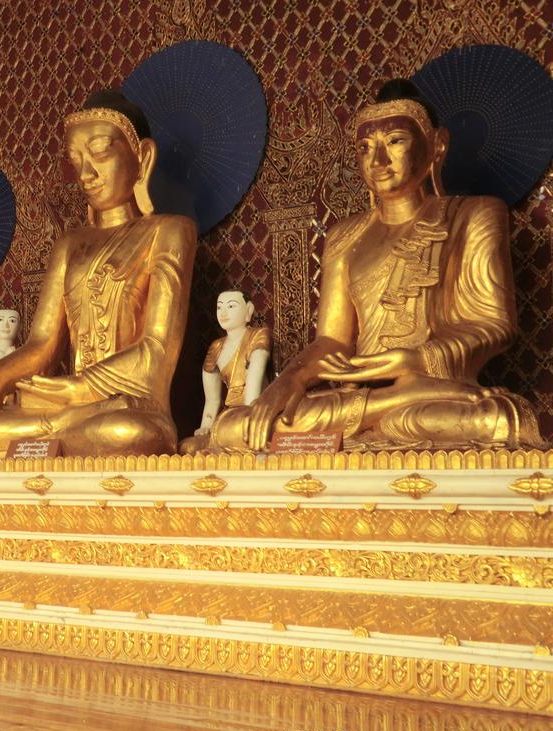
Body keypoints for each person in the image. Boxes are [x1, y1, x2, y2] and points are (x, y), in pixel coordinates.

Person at [211, 79, 543, 452]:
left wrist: (411, 359)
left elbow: (494, 325)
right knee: (232, 428)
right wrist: (290, 379)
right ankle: (378, 414)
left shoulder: (475, 214)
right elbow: (332, 340)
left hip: (432, 392)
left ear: (437, 145)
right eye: (365, 148)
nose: (378, 161)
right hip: (359, 399)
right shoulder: (344, 236)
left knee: (495, 419)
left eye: (395, 141)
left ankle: (383, 414)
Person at [0, 91, 197, 457]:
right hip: (72, 410)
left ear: (142, 158)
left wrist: (77, 388)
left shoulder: (169, 231)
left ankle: (55, 431)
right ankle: (56, 431)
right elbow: (41, 345)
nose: (85, 174)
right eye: (76, 160)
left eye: (99, 152)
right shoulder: (69, 243)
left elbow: (156, 352)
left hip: (127, 406)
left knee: (129, 432)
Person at [180, 290, 270, 453]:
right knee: (188, 447)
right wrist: (206, 426)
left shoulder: (258, 335)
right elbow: (212, 400)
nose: (223, 313)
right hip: (227, 417)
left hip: (253, 412)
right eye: (219, 307)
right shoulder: (216, 347)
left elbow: (254, 385)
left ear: (248, 310)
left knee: (241, 432)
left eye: (231, 306)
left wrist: (248, 415)